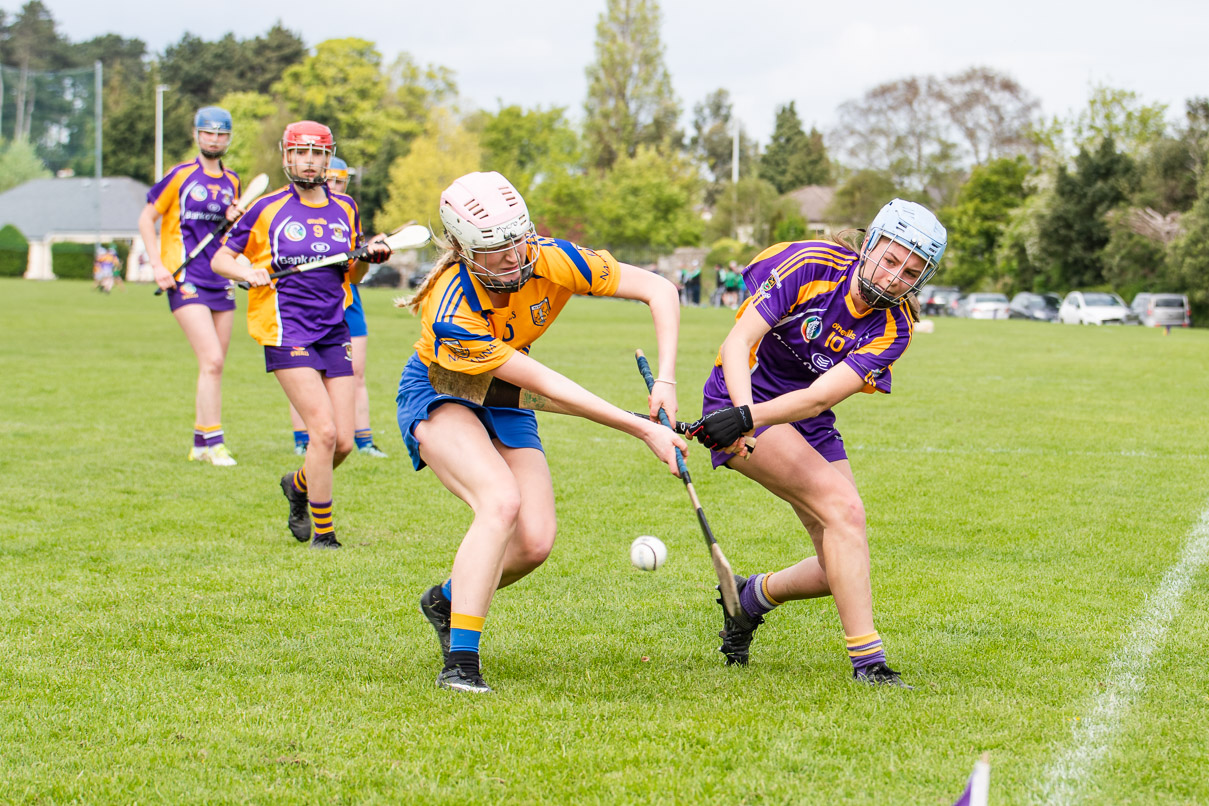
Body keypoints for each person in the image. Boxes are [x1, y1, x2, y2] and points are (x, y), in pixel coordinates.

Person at [399, 170, 686, 693]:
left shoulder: (552, 257)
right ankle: (461, 666)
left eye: (518, 239)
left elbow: (661, 290)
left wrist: (664, 379)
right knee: (500, 501)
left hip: (503, 389)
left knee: (535, 542)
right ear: (465, 250)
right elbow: (548, 387)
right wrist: (642, 429)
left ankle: (446, 600)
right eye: (496, 248)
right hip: (444, 386)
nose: (513, 256)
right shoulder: (452, 310)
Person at [686, 199, 947, 688]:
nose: (894, 279)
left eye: (910, 273)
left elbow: (819, 397)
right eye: (890, 260)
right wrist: (741, 416)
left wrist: (750, 419)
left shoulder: (895, 327)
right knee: (845, 513)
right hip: (738, 391)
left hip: (803, 413)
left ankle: (750, 598)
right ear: (869, 245)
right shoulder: (809, 264)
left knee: (839, 566)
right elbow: (740, 342)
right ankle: (869, 665)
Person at [211, 121, 392, 549]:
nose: (308, 160)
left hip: (334, 326)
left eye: (317, 153)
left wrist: (371, 258)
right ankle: (324, 536)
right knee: (323, 433)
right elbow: (221, 257)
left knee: (344, 442)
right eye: (300, 152)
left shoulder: (345, 208)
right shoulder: (268, 209)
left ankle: (297, 485)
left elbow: (354, 272)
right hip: (285, 326)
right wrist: (246, 270)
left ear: (328, 159)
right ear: (286, 156)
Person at [137, 107, 244, 465]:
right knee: (211, 359)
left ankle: (200, 442)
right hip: (185, 279)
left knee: (214, 365)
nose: (215, 139)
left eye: (221, 134)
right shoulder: (180, 176)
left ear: (228, 138)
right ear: (196, 135)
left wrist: (232, 223)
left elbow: (231, 237)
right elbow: (146, 218)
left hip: (220, 280)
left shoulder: (233, 183)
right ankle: (215, 442)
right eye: (208, 133)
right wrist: (157, 265)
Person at [287, 156, 389, 459]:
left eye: (339, 181)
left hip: (349, 301)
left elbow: (355, 262)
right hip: (308, 303)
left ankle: (364, 440)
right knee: (304, 374)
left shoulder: (347, 213)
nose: (332, 185)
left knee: (356, 372)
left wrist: (369, 251)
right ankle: (303, 438)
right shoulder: (300, 211)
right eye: (328, 179)